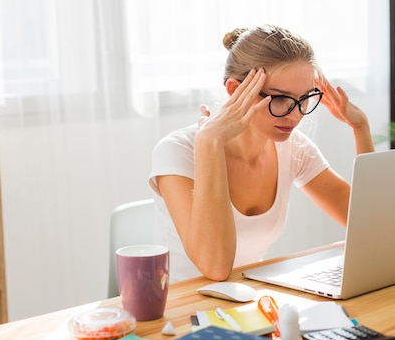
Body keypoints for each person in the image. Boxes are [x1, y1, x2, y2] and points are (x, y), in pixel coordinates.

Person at [149, 24, 374, 282]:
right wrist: (209, 143)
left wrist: (360, 128)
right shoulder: (177, 151)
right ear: (235, 90)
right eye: (280, 98)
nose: (295, 115)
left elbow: (367, 226)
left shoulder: (292, 147)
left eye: (304, 98)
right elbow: (216, 267)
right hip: (182, 309)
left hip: (248, 302)